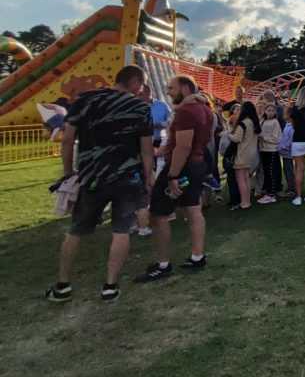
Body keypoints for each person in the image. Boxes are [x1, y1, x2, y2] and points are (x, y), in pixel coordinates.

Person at [45, 66, 154, 303]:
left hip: (92, 177)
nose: (141, 89)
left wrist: (68, 172)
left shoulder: (85, 100)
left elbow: (67, 140)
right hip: (127, 178)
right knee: (121, 231)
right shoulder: (140, 107)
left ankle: (62, 285)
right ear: (135, 81)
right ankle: (110, 286)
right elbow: (146, 150)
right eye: (141, 84)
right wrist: (148, 177)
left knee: (76, 230)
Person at [137, 75, 213, 283]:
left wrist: (173, 175)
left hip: (181, 167)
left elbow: (183, 146)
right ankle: (197, 257)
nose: (168, 92)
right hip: (196, 164)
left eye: (171, 88)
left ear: (185, 88)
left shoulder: (187, 111)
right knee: (193, 209)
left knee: (158, 214)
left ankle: (163, 265)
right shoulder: (204, 107)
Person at [228, 100, 260, 211]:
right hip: (251, 153)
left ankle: (244, 202)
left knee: (240, 179)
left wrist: (228, 134)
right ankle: (247, 201)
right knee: (246, 178)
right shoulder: (254, 122)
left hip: (242, 153)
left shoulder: (243, 123)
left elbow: (237, 139)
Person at [257, 103, 282, 204]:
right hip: (263, 150)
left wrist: (263, 137)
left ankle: (271, 195)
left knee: (271, 172)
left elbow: (276, 139)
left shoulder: (275, 122)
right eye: (268, 110)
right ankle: (268, 192)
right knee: (266, 172)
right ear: (265, 111)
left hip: (272, 150)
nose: (270, 112)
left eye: (272, 110)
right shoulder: (262, 121)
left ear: (275, 112)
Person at [277, 114, 295, 198]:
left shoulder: (292, 127)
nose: (283, 114)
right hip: (285, 152)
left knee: (289, 170)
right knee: (286, 170)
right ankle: (290, 187)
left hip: (288, 152)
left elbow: (290, 140)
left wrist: (283, 147)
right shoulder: (287, 125)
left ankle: (292, 189)